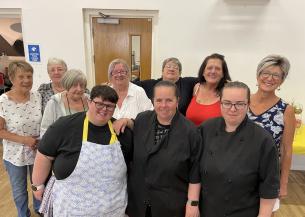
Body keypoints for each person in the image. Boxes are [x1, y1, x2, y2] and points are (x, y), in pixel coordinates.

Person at [32, 85, 133, 216]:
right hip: (71, 208)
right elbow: (44, 155)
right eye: (99, 104)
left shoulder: (121, 132)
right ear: (89, 102)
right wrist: (38, 185)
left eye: (109, 106)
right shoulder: (64, 126)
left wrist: (129, 121)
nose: (104, 109)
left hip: (112, 209)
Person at [199, 81, 280, 217]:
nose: (232, 109)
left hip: (243, 211)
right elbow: (194, 169)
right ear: (220, 103)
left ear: (248, 105)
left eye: (240, 104)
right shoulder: (206, 129)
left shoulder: (263, 140)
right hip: (207, 210)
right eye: (227, 103)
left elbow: (269, 187)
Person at [127, 80, 202, 217]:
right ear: (153, 100)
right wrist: (126, 121)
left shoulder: (191, 131)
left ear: (177, 100)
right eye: (159, 100)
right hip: (139, 203)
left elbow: (195, 171)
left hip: (171, 205)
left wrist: (192, 203)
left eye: (169, 100)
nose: (163, 105)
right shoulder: (142, 120)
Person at [247, 55, 295, 214]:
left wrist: (284, 183)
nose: (270, 78)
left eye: (276, 75)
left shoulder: (286, 110)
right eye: (265, 73)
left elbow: (287, 150)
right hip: (239, 170)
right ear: (258, 75)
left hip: (269, 175)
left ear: (282, 80)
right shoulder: (242, 102)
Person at [0, 60, 42, 216]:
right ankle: (23, 213)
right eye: (21, 76)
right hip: (14, 154)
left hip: (37, 150)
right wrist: (25, 140)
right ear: (11, 78)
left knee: (38, 183)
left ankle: (39, 208)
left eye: (29, 76)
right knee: (19, 189)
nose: (26, 80)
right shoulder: (3, 101)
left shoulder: (37, 96)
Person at [186, 53, 231, 126]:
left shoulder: (228, 92)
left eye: (217, 68)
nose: (213, 71)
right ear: (203, 72)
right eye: (209, 68)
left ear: (223, 74)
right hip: (191, 136)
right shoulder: (197, 88)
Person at [40, 69, 89, 136]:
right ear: (67, 85)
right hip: (62, 145)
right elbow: (45, 130)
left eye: (82, 85)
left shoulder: (90, 100)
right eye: (75, 85)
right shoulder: (54, 103)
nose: (79, 89)